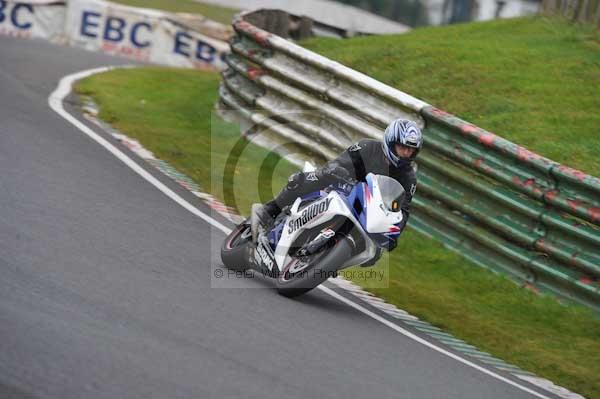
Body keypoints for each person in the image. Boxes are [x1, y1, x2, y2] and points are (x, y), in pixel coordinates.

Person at [252, 118, 422, 265]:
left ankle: (325, 261)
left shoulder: (408, 178)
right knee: (308, 178)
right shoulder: (367, 147)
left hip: (368, 212)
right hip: (343, 188)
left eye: (411, 150)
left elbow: (403, 210)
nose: (406, 153)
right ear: (390, 142)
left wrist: (394, 232)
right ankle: (269, 209)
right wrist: (336, 170)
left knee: (374, 252)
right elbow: (338, 163)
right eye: (402, 147)